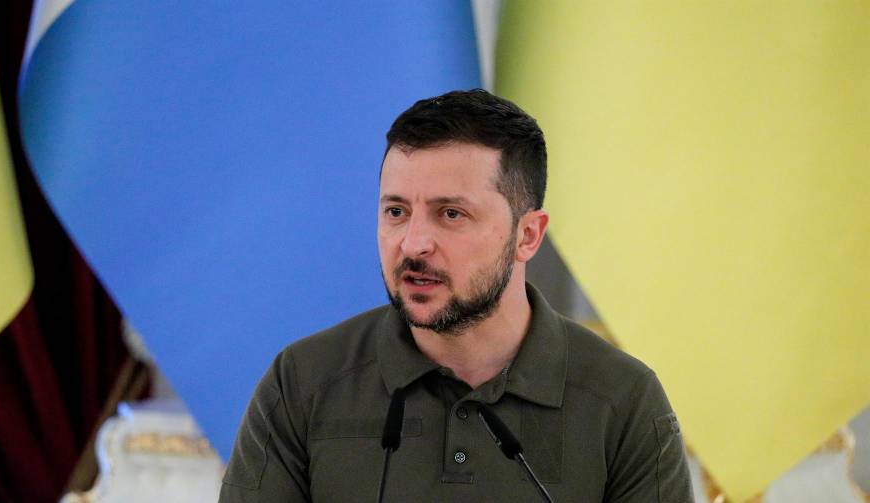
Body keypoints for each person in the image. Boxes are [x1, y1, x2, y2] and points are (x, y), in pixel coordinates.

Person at [219, 89, 695, 502]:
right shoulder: (303, 382)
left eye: (450, 214)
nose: (413, 244)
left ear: (528, 235)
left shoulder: (623, 400)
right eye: (396, 212)